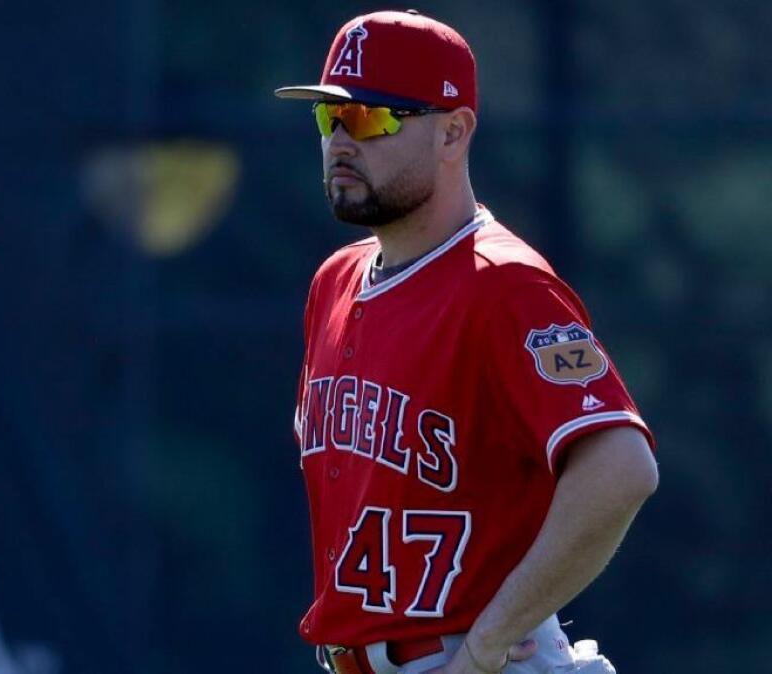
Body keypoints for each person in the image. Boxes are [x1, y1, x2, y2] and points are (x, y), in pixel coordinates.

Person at [275, 10, 659, 674]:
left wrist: (485, 645)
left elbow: (621, 468)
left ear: (453, 131)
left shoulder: (502, 284)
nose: (340, 139)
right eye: (327, 118)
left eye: (370, 117)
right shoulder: (333, 283)